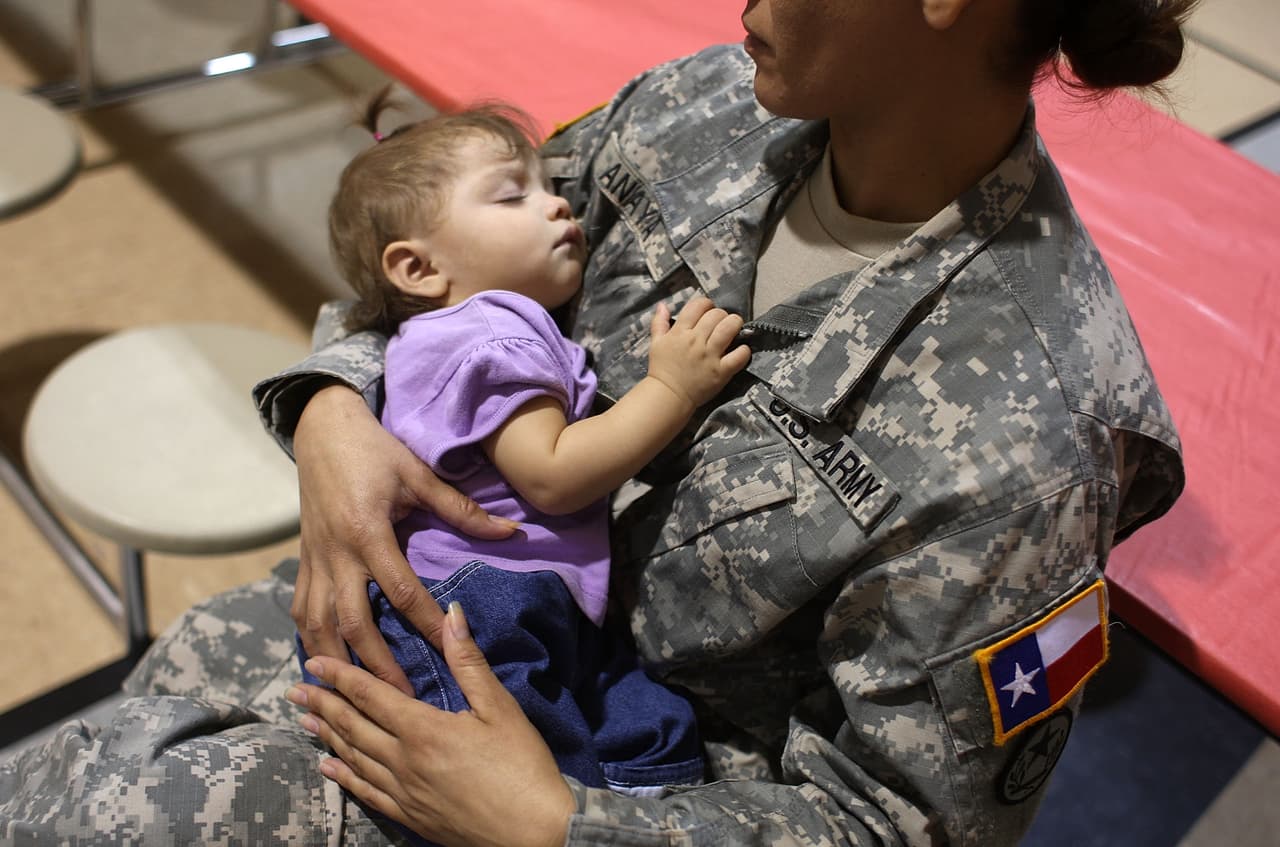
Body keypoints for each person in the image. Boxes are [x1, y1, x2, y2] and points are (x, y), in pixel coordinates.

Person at [0, 1, 1193, 845]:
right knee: (97, 755)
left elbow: (900, 824)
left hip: (614, 773)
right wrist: (327, 409)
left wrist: (546, 823)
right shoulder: (706, 106)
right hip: (421, 593)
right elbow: (435, 281)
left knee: (123, 812)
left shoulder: (1033, 424)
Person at [300, 93, 751, 812]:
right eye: (513, 196)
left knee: (652, 730)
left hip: (511, 606)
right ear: (417, 269)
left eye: (549, 187)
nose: (557, 207)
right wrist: (672, 386)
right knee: (515, 781)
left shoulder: (433, 340)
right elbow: (553, 475)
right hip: (474, 610)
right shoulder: (492, 334)